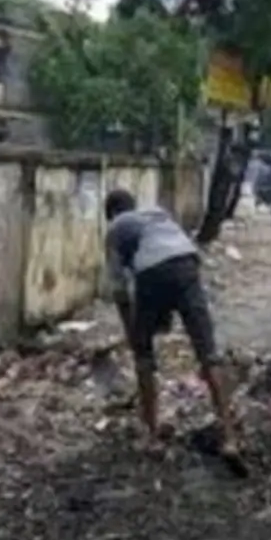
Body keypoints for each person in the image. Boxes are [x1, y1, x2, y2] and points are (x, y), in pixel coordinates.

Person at [103, 189, 244, 472]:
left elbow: (120, 292)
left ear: (112, 214)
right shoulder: (158, 214)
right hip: (188, 264)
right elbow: (174, 255)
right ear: (134, 205)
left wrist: (135, 336)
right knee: (209, 354)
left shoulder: (115, 230)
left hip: (152, 272)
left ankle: (153, 438)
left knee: (144, 358)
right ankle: (229, 439)